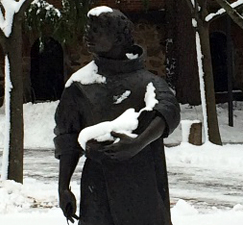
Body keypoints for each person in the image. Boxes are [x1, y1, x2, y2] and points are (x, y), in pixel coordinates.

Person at [53, 6, 180, 225]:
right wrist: (63, 186)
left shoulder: (146, 82)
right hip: (97, 189)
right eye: (88, 29)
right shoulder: (80, 85)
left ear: (119, 37)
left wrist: (138, 143)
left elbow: (167, 110)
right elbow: (67, 139)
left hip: (142, 188)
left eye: (97, 30)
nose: (88, 35)